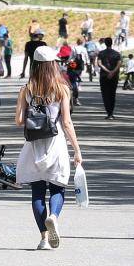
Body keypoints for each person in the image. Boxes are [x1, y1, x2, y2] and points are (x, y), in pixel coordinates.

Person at [16, 46, 84, 250]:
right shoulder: (62, 88)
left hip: (34, 145)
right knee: (58, 186)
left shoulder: (27, 89)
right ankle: (54, 215)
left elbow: (19, 120)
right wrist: (77, 150)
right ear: (53, 64)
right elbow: (67, 122)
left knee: (37, 192)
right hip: (56, 143)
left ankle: (44, 239)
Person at [96, 36, 124, 118]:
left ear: (105, 43)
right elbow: (119, 64)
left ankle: (108, 112)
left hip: (104, 76)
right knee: (112, 94)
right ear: (112, 43)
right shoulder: (117, 54)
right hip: (114, 76)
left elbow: (99, 63)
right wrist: (113, 71)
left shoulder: (101, 53)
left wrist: (107, 71)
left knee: (105, 94)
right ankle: (111, 112)